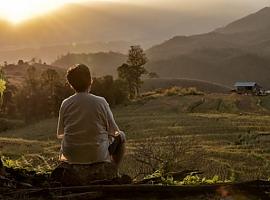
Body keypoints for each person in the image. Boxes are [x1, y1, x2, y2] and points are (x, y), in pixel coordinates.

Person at [54, 64, 126, 185]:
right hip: (98, 156)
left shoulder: (65, 103)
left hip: (71, 157)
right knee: (122, 136)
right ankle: (113, 171)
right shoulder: (101, 102)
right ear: (90, 81)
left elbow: (60, 134)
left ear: (71, 85)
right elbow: (115, 132)